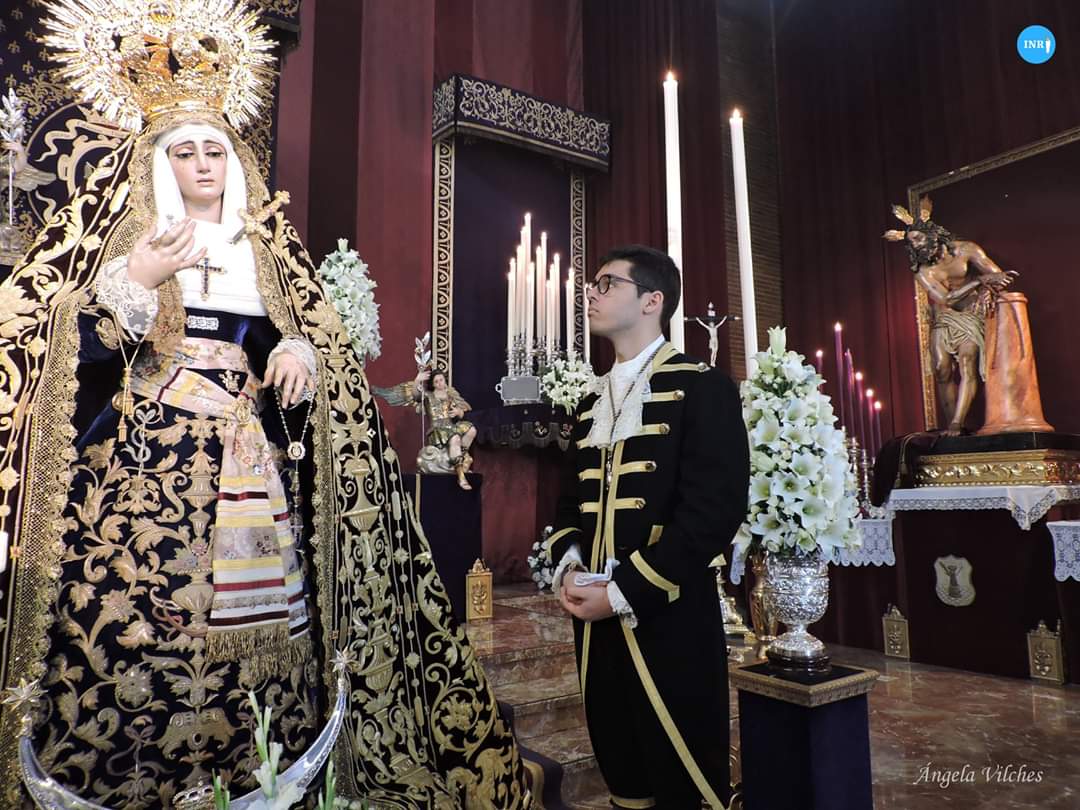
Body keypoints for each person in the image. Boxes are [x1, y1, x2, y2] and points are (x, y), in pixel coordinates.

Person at [0, 2, 530, 806]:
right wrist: (135, 284)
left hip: (247, 465)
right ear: (158, 162)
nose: (203, 164)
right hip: (139, 472)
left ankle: (251, 771)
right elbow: (59, 355)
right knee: (138, 621)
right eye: (184, 151)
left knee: (267, 626)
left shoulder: (263, 252)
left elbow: (295, 350)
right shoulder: (123, 243)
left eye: (215, 149)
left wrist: (294, 352)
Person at [544, 245, 749, 809]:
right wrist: (569, 568)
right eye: (593, 284)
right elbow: (567, 506)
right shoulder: (589, 403)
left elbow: (713, 513)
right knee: (624, 781)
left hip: (669, 619)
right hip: (594, 629)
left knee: (682, 779)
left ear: (652, 300)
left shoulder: (703, 387)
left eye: (606, 283)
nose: (591, 293)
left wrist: (623, 591)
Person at [884, 197, 1015, 433]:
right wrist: (979, 281)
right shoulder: (923, 271)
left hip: (971, 315)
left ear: (933, 234)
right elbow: (945, 299)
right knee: (941, 369)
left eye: (918, 239)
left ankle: (957, 423)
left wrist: (987, 288)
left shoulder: (967, 249)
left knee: (967, 361)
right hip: (945, 316)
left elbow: (997, 276)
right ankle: (953, 426)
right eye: (911, 244)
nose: (916, 246)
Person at [411, 367, 479, 489]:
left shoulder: (450, 397)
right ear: (433, 384)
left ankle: (458, 459)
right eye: (436, 381)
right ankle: (461, 477)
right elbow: (416, 395)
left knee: (471, 430)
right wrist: (417, 380)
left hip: (450, 426)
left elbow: (460, 413)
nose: (439, 383)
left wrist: (458, 412)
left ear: (445, 380)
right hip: (438, 429)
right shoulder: (428, 396)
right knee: (455, 438)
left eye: (441, 380)